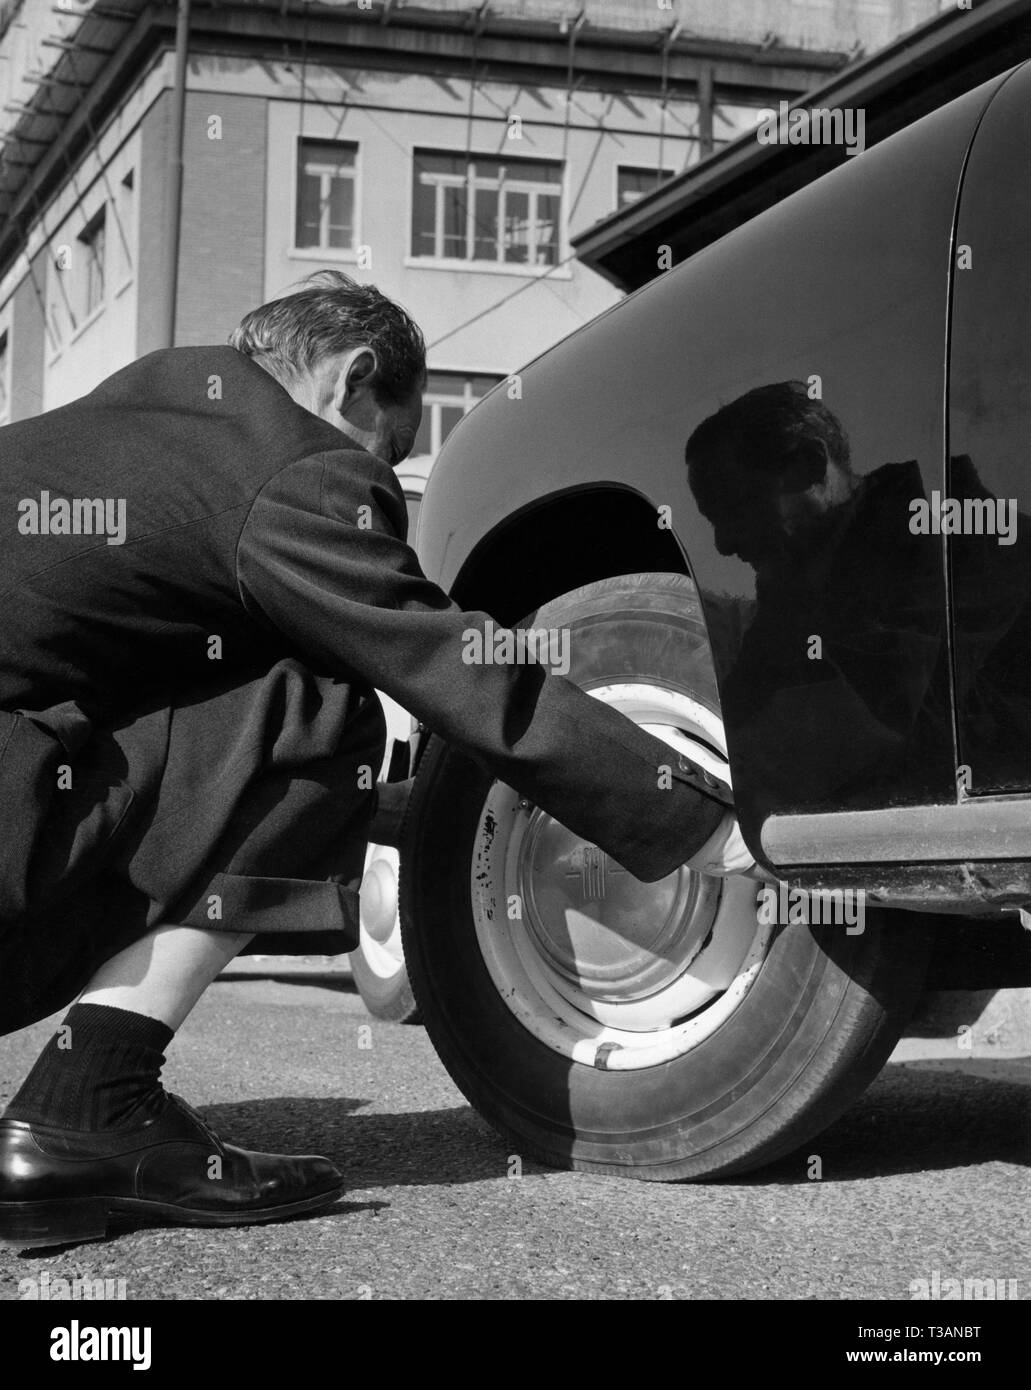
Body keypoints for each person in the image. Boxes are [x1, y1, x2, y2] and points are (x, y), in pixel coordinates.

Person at [0, 272, 748, 1249]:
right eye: (390, 453)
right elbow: (445, 661)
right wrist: (686, 813)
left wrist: (415, 820)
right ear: (352, 380)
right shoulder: (289, 460)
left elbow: (188, 760)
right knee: (317, 696)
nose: (381, 481)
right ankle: (87, 1102)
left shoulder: (139, 418)